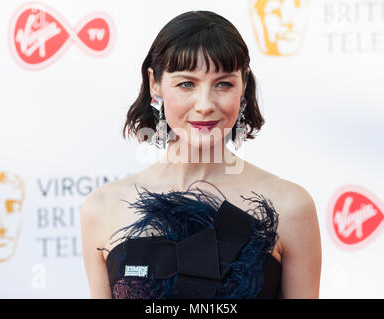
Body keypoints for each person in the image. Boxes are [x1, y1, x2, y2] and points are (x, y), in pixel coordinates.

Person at [80, 10, 321, 299]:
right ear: (155, 85)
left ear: (242, 85)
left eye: (223, 84)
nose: (205, 104)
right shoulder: (103, 207)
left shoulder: (291, 206)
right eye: (186, 84)